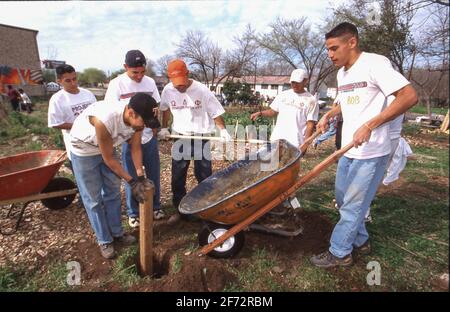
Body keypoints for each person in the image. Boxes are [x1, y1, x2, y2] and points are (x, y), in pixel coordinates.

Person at [311, 22, 417, 268]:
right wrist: (329, 114)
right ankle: (360, 240)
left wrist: (370, 125)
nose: (330, 54)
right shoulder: (342, 74)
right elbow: (347, 103)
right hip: (348, 148)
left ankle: (339, 253)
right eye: (328, 49)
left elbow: (409, 96)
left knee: (353, 206)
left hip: (372, 151)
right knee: (343, 199)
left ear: (352, 42)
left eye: (334, 48)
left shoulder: (375, 64)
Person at [70, 92, 159, 259]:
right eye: (144, 122)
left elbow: (135, 148)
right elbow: (109, 159)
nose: (145, 126)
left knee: (113, 192)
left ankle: (117, 233)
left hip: (107, 148)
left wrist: (140, 176)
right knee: (93, 199)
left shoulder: (137, 122)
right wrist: (132, 182)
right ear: (131, 112)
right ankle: (104, 240)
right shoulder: (105, 120)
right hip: (84, 150)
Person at [158, 59, 231, 224]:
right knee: (178, 174)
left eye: (182, 83)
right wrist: (164, 127)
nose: (180, 87)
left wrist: (223, 129)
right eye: (176, 84)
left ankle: (206, 207)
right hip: (181, 136)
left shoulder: (201, 90)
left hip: (200, 136)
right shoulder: (168, 90)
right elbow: (165, 109)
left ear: (188, 75)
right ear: (170, 79)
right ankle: (180, 209)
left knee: (203, 173)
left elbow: (215, 111)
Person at [105, 50, 163, 227]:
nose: (139, 76)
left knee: (153, 174)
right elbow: (111, 110)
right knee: (132, 176)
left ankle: (155, 206)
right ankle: (133, 212)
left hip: (148, 136)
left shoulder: (150, 82)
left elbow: (156, 105)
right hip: (128, 137)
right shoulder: (117, 84)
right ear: (125, 68)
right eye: (134, 73)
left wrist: (154, 128)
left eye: (142, 72)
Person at [250, 68, 319, 152]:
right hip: (277, 138)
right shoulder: (283, 95)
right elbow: (273, 111)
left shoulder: (311, 100)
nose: (294, 85)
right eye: (293, 82)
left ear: (305, 81)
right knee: (272, 163)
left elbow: (310, 125)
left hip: (295, 143)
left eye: (297, 82)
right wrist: (260, 113)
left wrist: (306, 144)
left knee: (290, 165)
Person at [47, 64, 97, 171]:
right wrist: (79, 126)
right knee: (84, 183)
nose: (73, 83)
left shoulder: (88, 94)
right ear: (59, 81)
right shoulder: (57, 99)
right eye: (68, 81)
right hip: (77, 148)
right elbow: (55, 123)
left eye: (74, 79)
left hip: (96, 144)